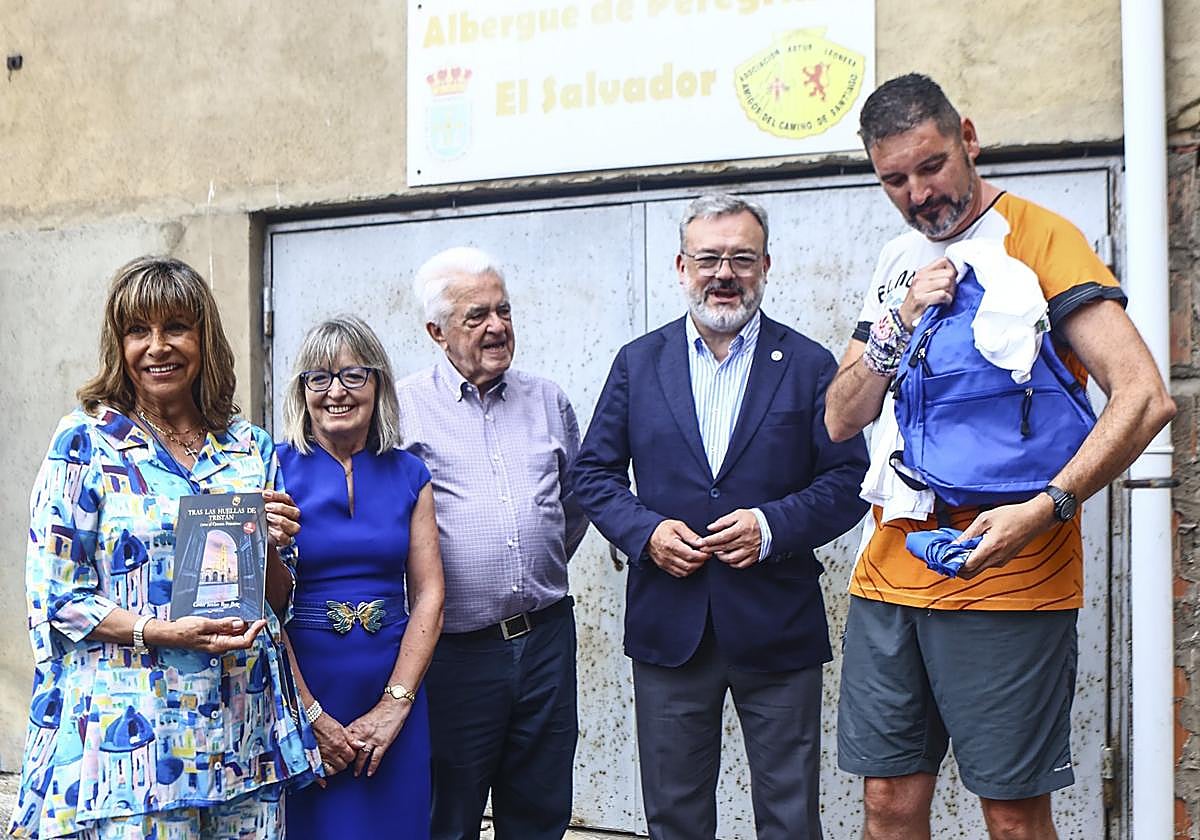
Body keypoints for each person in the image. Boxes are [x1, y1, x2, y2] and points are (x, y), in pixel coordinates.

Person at [824, 73, 1177, 840]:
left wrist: (1048, 506)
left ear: (969, 139)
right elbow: (841, 416)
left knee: (1012, 816)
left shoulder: (1043, 237)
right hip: (890, 564)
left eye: (932, 165)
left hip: (1012, 565)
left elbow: (1145, 396)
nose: (918, 194)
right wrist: (901, 313)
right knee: (886, 804)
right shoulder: (896, 258)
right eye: (894, 179)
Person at [572, 193, 870, 840]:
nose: (723, 273)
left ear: (767, 266)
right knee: (675, 817)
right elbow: (591, 474)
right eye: (709, 258)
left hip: (776, 624)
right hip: (670, 627)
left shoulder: (811, 365)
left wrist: (771, 528)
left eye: (741, 257)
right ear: (681, 267)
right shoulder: (638, 363)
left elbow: (849, 480)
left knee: (790, 817)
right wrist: (645, 532)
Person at [10, 256, 321, 840]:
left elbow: (277, 603)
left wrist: (272, 546)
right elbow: (56, 597)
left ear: (204, 339)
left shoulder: (248, 446)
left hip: (241, 737)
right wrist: (160, 632)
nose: (158, 347)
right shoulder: (86, 442)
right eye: (138, 331)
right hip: (133, 744)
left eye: (176, 327)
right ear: (118, 344)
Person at [395, 246, 588, 840]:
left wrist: (527, 566)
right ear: (437, 331)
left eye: (502, 310)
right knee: (447, 815)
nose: (497, 327)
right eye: (475, 316)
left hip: (546, 638)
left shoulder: (548, 400)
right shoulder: (402, 410)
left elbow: (573, 507)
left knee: (540, 811)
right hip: (454, 653)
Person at [276, 315, 444, 840]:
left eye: (353, 375)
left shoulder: (410, 473)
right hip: (303, 687)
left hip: (394, 686)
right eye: (318, 378)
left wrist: (394, 706)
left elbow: (431, 594)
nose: (336, 392)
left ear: (378, 385)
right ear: (301, 392)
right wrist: (310, 715)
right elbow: (258, 601)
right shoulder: (271, 469)